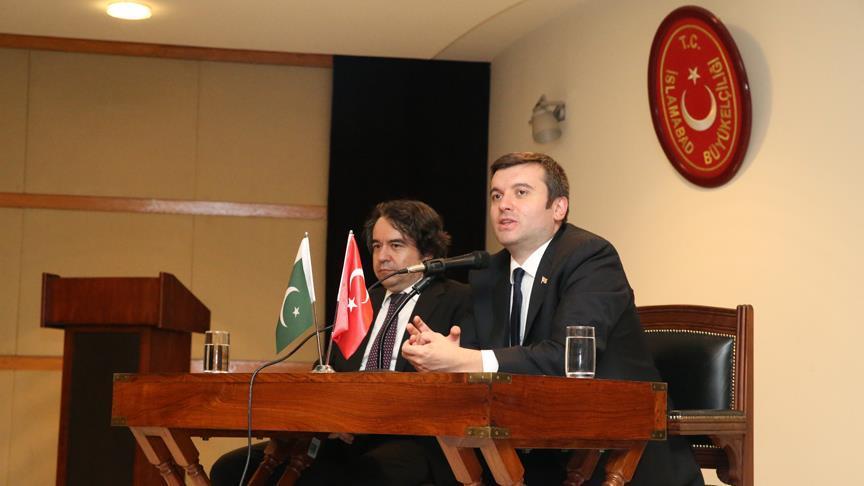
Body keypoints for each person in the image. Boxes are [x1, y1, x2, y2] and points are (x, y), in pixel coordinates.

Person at [401, 152, 704, 486]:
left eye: (521, 192)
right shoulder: (488, 273)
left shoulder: (590, 257)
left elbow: (565, 358)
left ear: (558, 208)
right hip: (532, 449)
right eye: (496, 195)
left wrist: (465, 359)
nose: (504, 205)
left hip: (612, 452)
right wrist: (444, 356)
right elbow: (476, 356)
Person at [210, 199, 470, 486]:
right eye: (376, 246)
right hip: (344, 439)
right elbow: (327, 368)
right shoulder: (358, 302)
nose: (382, 257)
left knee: (362, 475)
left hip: (415, 439)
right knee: (230, 469)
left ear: (428, 251)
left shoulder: (460, 300)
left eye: (395, 245)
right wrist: (330, 411)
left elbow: (461, 388)